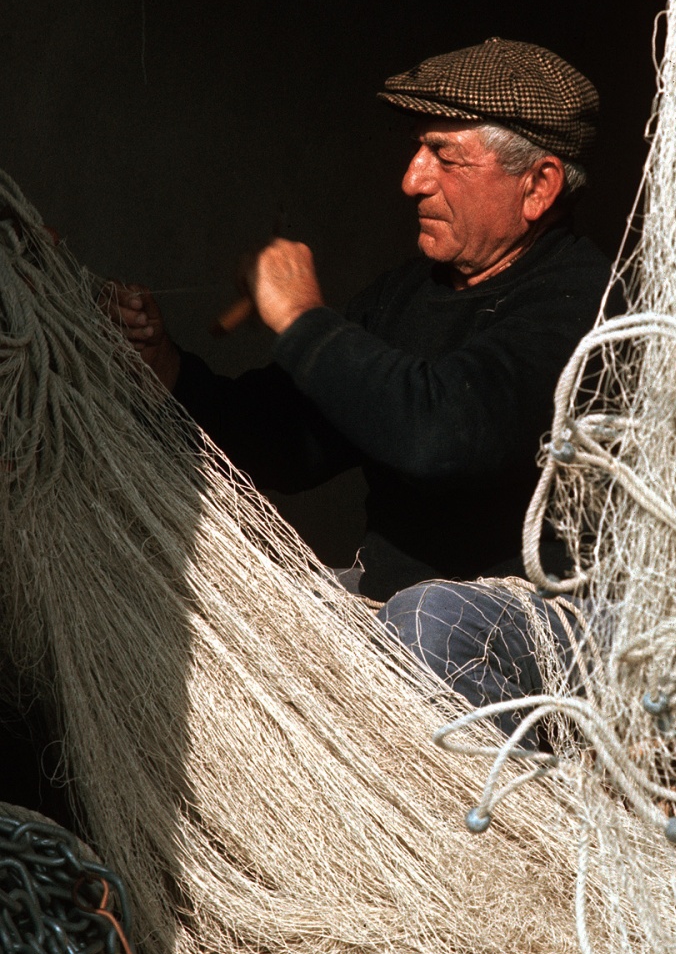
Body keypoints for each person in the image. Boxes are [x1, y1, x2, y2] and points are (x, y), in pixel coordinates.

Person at [109, 38, 609, 724]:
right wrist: (166, 367)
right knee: (232, 619)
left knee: (429, 622)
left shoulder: (584, 304)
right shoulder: (409, 295)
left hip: (552, 624)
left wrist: (304, 320)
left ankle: (519, 792)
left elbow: (442, 434)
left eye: (444, 156)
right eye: (418, 150)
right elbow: (289, 444)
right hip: (394, 606)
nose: (412, 180)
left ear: (539, 186)